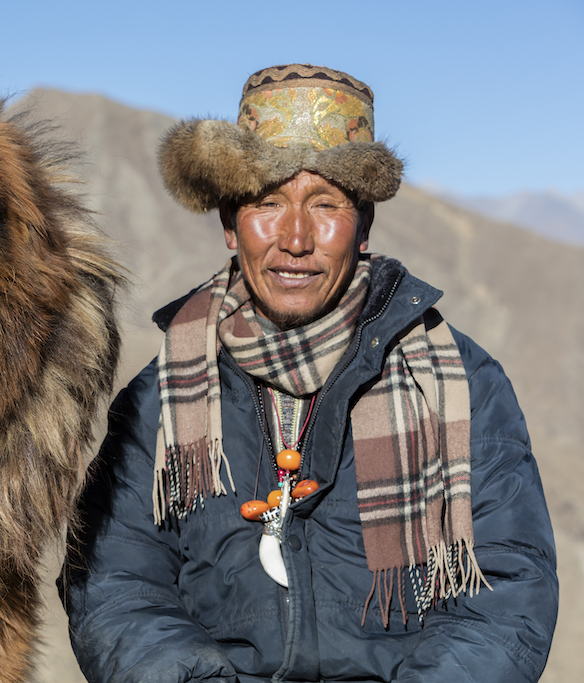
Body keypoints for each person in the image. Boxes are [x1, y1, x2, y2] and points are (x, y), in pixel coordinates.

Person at [59, 64, 558, 683]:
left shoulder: (461, 382)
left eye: (325, 205)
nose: (295, 238)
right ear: (229, 224)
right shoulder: (162, 395)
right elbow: (115, 584)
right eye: (267, 203)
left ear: (364, 225)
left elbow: (507, 592)